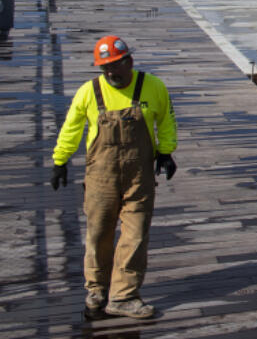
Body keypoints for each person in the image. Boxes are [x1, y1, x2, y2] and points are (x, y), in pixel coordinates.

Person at [50, 35, 178, 320]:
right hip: (100, 178)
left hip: (139, 177)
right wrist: (60, 160)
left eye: (116, 66)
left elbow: (166, 121)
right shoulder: (88, 91)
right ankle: (96, 292)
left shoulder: (153, 86)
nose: (111, 73)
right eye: (105, 68)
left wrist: (166, 152)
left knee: (135, 236)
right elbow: (71, 128)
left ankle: (124, 297)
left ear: (129, 61)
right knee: (98, 236)